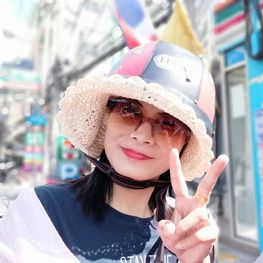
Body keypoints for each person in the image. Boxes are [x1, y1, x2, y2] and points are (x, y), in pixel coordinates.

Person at [0, 41, 229, 262]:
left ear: (185, 145)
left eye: (168, 123)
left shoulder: (190, 233)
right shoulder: (37, 212)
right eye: (129, 110)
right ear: (105, 118)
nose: (142, 135)